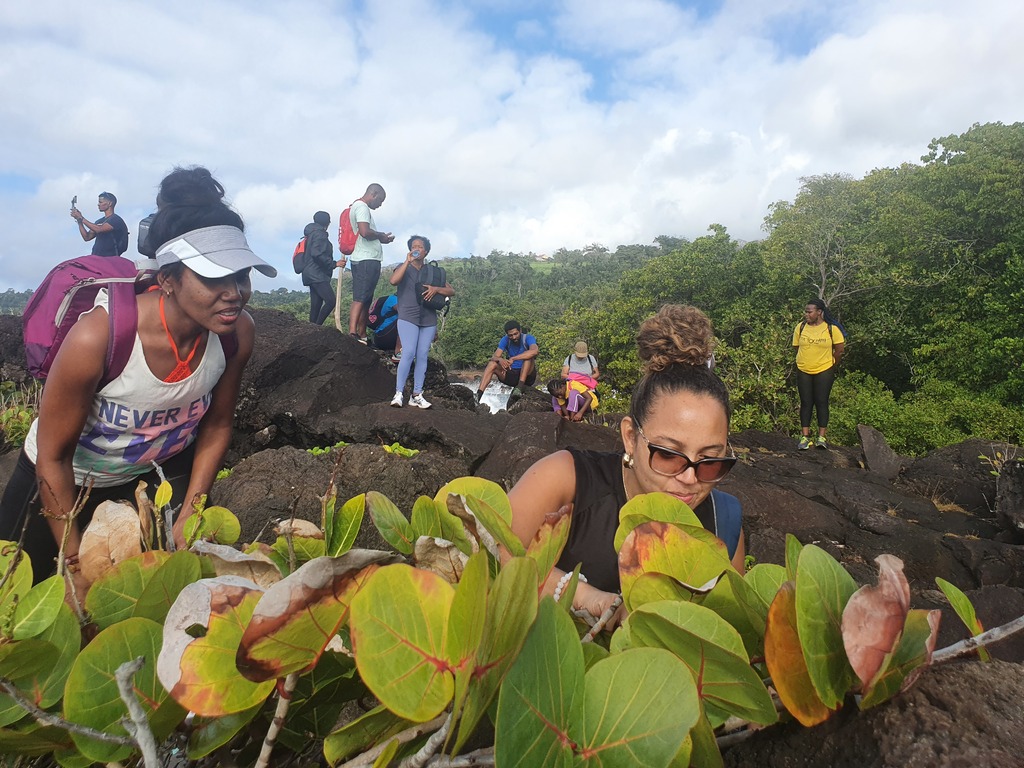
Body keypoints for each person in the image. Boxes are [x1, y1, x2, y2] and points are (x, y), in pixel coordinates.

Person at [0, 166, 275, 595]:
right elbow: (54, 457)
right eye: (212, 277)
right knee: (23, 602)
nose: (234, 292)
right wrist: (73, 562)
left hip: (151, 477)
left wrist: (191, 509)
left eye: (241, 275)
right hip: (63, 481)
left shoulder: (237, 334)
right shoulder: (100, 337)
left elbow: (218, 423)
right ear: (166, 279)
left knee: (146, 600)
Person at [507, 305, 744, 625]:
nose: (690, 478)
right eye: (668, 454)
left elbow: (727, 627)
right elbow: (489, 553)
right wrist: (585, 597)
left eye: (710, 460)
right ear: (630, 437)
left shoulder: (723, 522)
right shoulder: (567, 479)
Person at [388, 235, 453, 409]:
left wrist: (436, 289)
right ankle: (398, 393)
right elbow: (393, 281)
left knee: (422, 355)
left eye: (420, 246)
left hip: (428, 318)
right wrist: (407, 261)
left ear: (426, 252)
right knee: (408, 352)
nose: (416, 249)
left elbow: (451, 291)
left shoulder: (432, 272)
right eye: (413, 246)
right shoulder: (403, 267)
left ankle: (417, 394)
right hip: (408, 316)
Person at [341, 184, 394, 343]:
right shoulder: (362, 207)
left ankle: (362, 334)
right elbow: (364, 232)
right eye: (380, 200)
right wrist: (380, 235)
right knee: (360, 297)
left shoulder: (358, 207)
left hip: (368, 258)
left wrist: (381, 238)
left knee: (366, 298)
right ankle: (353, 333)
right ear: (374, 194)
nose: (380, 204)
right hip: (365, 259)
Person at [793, 298, 845, 450]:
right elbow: (796, 347)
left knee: (822, 401)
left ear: (819, 312)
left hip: (824, 369)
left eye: (809, 312)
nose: (806, 314)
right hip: (804, 369)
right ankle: (805, 437)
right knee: (806, 402)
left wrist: (831, 364)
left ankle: (821, 438)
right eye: (806, 312)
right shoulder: (801, 327)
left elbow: (839, 350)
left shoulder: (831, 329)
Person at [474, 320, 538, 404]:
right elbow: (494, 357)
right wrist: (500, 359)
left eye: (516, 334)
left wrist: (514, 358)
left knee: (528, 357)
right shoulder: (505, 340)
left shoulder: (528, 338)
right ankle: (478, 395)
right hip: (512, 374)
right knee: (492, 364)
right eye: (510, 335)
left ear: (520, 331)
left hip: (527, 376)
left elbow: (534, 351)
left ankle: (519, 387)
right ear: (507, 335)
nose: (514, 337)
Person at [302, 211, 343, 325]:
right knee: (331, 301)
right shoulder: (320, 234)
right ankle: (318, 327)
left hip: (309, 272)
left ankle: (311, 328)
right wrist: (334, 264)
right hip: (317, 274)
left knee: (316, 305)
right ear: (328, 223)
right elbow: (316, 253)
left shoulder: (311, 234)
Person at [71, 192, 129, 257]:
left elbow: (99, 229)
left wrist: (81, 218)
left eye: (101, 202)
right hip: (96, 257)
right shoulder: (99, 221)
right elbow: (87, 237)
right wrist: (79, 221)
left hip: (110, 258)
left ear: (110, 203)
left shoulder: (116, 220)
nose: (98, 204)